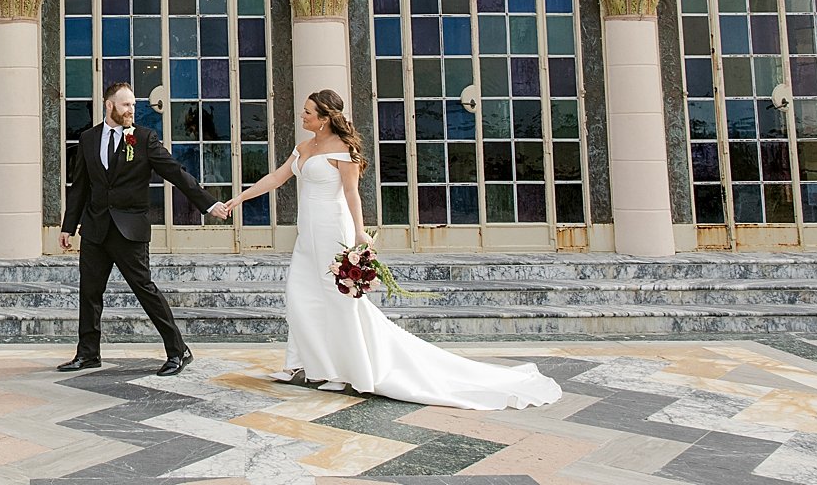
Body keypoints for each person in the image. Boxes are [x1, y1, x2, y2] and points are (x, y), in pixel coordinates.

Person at [222, 89, 562, 410]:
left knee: (340, 303)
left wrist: (358, 233)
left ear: (324, 117)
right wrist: (238, 199)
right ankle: (304, 365)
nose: (303, 116)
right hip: (305, 236)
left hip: (331, 231)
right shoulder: (303, 147)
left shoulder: (343, 150)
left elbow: (352, 194)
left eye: (308, 112)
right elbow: (277, 178)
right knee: (300, 297)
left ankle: (348, 373)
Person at [57, 82, 231, 376]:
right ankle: (88, 354)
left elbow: (176, 173)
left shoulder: (144, 138)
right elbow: (80, 187)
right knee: (89, 293)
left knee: (145, 291)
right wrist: (68, 226)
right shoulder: (88, 138)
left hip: (130, 231)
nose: (131, 110)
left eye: (133, 105)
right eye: (125, 105)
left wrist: (208, 204)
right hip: (96, 229)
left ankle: (179, 350)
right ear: (109, 105)